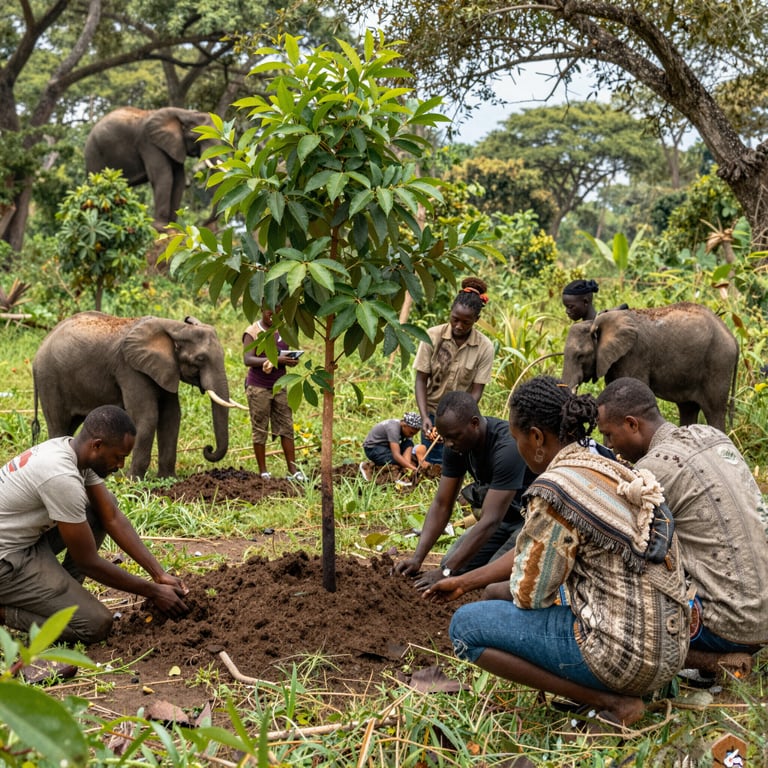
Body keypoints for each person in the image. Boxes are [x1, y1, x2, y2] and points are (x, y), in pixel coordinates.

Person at [431, 376, 689, 727]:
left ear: (536, 437)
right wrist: (465, 581)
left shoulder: (555, 489)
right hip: (670, 649)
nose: (517, 446)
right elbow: (532, 549)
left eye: (517, 436)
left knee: (467, 627)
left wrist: (492, 591)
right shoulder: (605, 464)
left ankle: (609, 701)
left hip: (623, 659)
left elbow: (530, 594)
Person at [596, 377, 768, 671]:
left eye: (609, 435)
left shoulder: (651, 472)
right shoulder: (713, 435)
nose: (608, 445)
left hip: (731, 628)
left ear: (632, 424)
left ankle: (713, 662)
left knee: (615, 602)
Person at [0, 406, 190, 645]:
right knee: (95, 624)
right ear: (97, 445)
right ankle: (5, 611)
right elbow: (87, 562)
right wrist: (153, 591)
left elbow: (110, 516)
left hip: (24, 540)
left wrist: (159, 574)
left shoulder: (73, 451)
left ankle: (61, 595)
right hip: (6, 562)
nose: (121, 465)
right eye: (118, 457)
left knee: (98, 509)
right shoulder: (61, 477)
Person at [394, 391, 536, 587]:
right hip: (504, 521)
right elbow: (442, 504)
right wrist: (418, 558)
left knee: (492, 578)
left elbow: (490, 520)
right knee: (451, 563)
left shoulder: (507, 448)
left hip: (529, 523)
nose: (449, 444)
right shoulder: (456, 446)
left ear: (475, 423)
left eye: (454, 437)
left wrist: (445, 572)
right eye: (445, 438)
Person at [414, 277, 494, 464]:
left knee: (454, 464)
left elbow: (476, 391)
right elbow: (420, 379)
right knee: (430, 463)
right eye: (455, 319)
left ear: (476, 319)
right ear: (450, 312)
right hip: (432, 412)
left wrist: (457, 421)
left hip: (461, 418)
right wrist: (425, 416)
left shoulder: (485, 347)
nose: (459, 326)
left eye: (466, 322)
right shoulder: (432, 336)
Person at [243, 306, 306, 481]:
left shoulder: (284, 331)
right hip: (258, 388)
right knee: (260, 427)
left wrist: (290, 361)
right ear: (262, 310)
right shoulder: (252, 331)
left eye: (279, 313)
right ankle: (263, 471)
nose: (274, 317)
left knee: (286, 426)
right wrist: (275, 359)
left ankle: (293, 471)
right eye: (270, 312)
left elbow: (285, 358)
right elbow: (247, 359)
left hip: (280, 385)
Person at [360, 412, 425, 481]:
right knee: (397, 461)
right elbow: (396, 455)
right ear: (404, 425)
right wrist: (413, 468)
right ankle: (366, 466)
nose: (412, 435)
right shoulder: (393, 429)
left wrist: (407, 465)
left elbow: (408, 445)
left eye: (414, 434)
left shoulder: (406, 430)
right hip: (373, 448)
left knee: (409, 443)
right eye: (411, 433)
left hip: (386, 447)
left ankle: (406, 466)